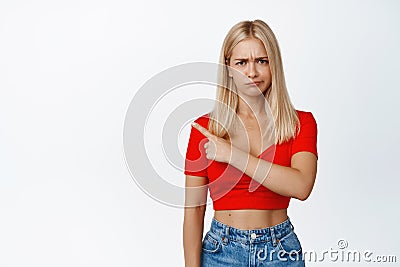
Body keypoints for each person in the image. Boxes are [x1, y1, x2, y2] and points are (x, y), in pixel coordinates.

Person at [183, 19, 318, 267]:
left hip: (280, 252)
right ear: (228, 68)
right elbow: (193, 211)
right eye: (241, 63)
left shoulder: (300, 123)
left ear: (274, 65)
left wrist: (233, 155)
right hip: (220, 251)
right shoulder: (205, 129)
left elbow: (301, 186)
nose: (252, 72)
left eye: (261, 61)